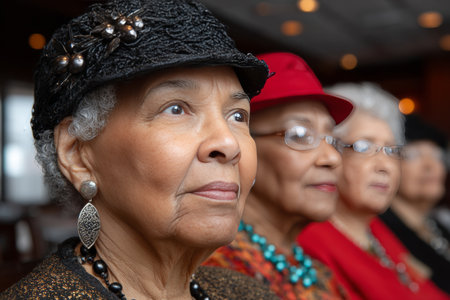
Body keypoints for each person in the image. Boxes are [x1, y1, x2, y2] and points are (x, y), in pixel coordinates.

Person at [0, 0, 280, 299]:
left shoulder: (248, 292)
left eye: (238, 116)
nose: (229, 143)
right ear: (78, 154)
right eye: (175, 109)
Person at [203, 52, 353, 300]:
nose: (332, 158)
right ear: (241, 145)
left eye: (333, 140)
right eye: (300, 135)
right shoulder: (217, 271)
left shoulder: (315, 271)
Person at [298, 82, 449, 300]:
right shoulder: (309, 240)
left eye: (391, 150)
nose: (384, 165)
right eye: (363, 147)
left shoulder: (375, 230)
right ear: (330, 152)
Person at [380, 114, 450, 294]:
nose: (430, 165)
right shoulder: (381, 231)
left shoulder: (439, 226)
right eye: (413, 155)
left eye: (437, 155)